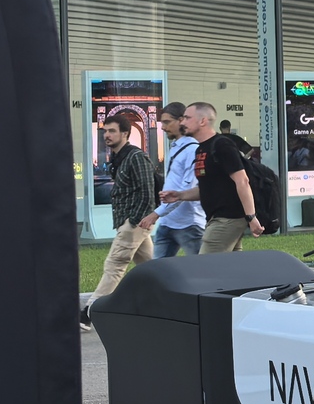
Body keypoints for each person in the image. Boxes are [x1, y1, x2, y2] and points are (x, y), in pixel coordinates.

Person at [86, 111, 157, 319]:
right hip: (128, 221)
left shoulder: (137, 157)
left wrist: (132, 222)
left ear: (125, 133)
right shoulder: (118, 159)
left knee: (114, 265)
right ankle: (166, 303)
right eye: (105, 131)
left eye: (112, 131)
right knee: (150, 268)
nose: (107, 135)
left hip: (134, 223)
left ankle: (89, 311)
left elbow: (148, 193)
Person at [189, 101, 263, 253]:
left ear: (202, 121)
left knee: (206, 265)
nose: (183, 122)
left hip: (227, 219)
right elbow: (207, 188)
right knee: (231, 265)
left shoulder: (222, 145)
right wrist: (178, 196)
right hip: (217, 218)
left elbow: (242, 181)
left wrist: (251, 217)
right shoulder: (201, 149)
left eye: (187, 118)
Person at [153, 101, 204, 258]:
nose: (163, 127)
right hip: (168, 222)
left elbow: (186, 188)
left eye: (167, 122)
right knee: (159, 269)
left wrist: (156, 213)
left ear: (181, 120)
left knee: (203, 269)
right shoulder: (176, 146)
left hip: (188, 223)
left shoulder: (192, 149)